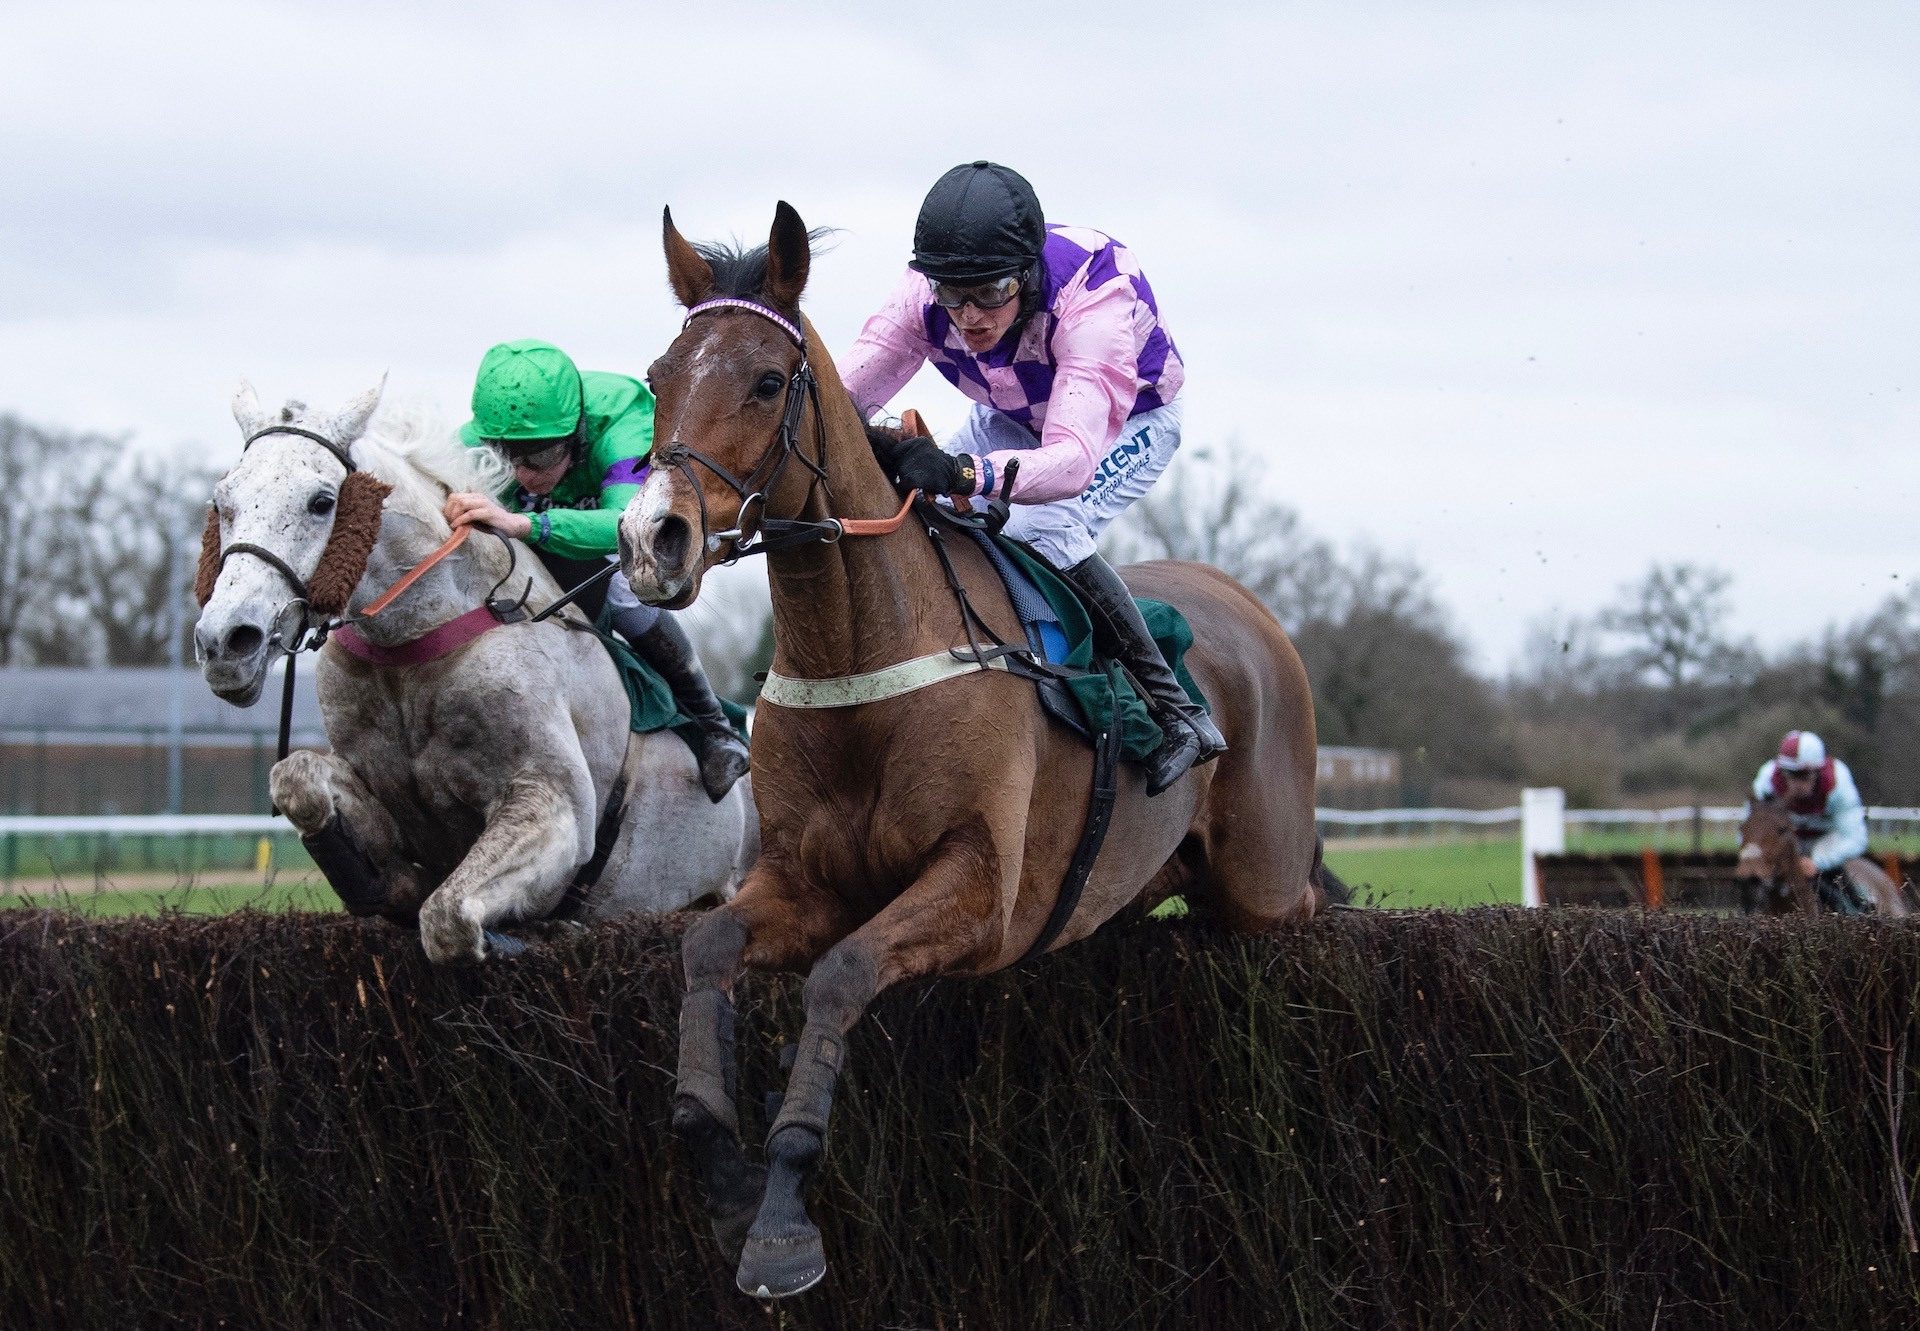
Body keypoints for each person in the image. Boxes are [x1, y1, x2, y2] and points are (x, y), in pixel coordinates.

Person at [839, 161, 1225, 796]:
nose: (969, 316)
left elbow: (1071, 463)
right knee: (914, 496)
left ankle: (1178, 711)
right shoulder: (922, 297)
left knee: (1042, 521)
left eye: (991, 292)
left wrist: (964, 471)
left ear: (1029, 274)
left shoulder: (1092, 299)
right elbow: (841, 400)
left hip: (1126, 423)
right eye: (953, 293)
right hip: (1013, 414)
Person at [445, 338, 749, 802]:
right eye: (506, 455)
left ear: (578, 433)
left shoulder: (622, 423)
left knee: (628, 591)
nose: (524, 474)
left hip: (634, 526)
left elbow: (628, 523)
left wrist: (524, 522)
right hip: (543, 531)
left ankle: (714, 726)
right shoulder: (467, 444)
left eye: (542, 455)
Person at [1749, 729, 1871, 913]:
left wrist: (1817, 863)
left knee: (1848, 899)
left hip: (1826, 840)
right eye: (1791, 774)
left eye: (1805, 776)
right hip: (1785, 843)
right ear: (1782, 770)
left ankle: (1858, 912)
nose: (1798, 784)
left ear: (1818, 772)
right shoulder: (1767, 780)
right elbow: (1749, 833)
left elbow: (1856, 838)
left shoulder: (1838, 782)